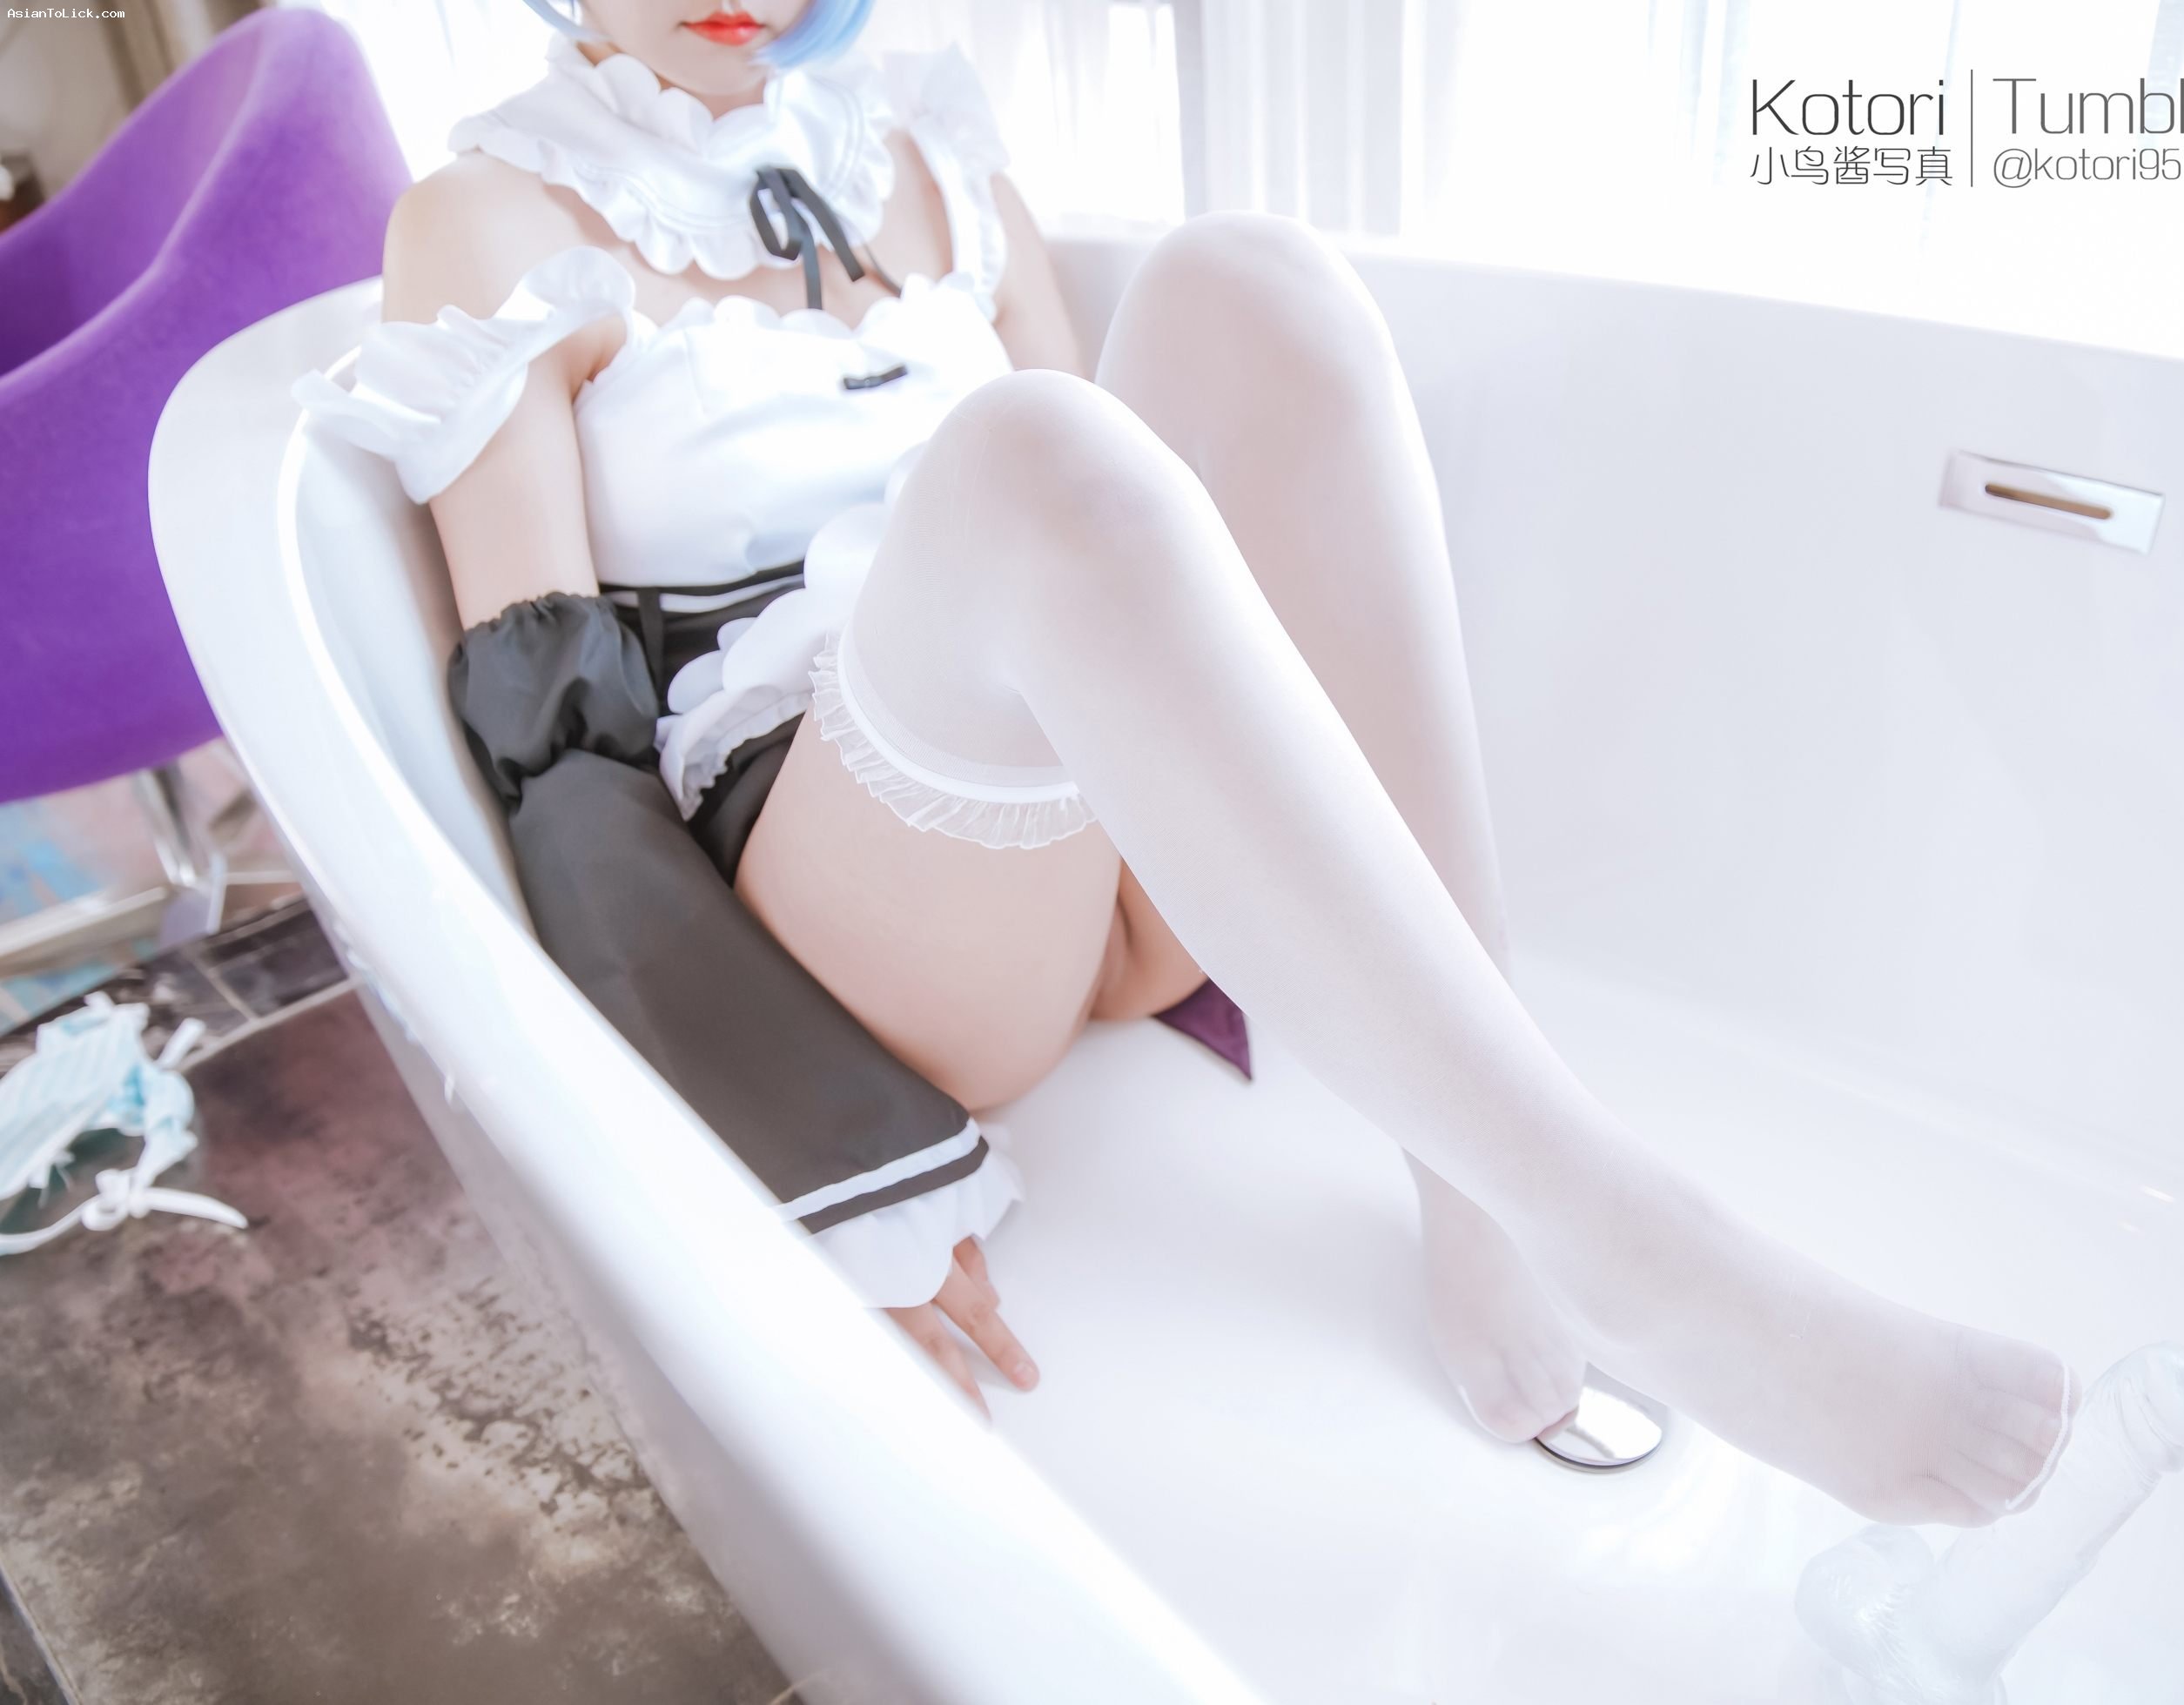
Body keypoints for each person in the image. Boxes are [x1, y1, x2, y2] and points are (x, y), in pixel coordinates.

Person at [295, 0, 2076, 1527]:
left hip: (1108, 866)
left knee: (1248, 279)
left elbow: (1139, 550)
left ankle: (1474, 1189)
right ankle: (1618, 1226)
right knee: (1024, 450)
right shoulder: (488, 223)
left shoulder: (923, 145)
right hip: (854, 898)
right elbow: (561, 767)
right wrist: (796, 1167)